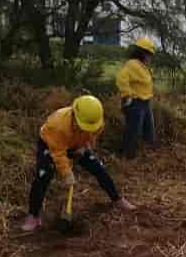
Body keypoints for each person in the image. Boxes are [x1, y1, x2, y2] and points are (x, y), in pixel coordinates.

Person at [20, 95, 135, 232]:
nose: (88, 129)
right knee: (43, 175)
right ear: (74, 115)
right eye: (84, 126)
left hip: (78, 144)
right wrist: (66, 173)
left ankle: (117, 199)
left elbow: (93, 135)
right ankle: (33, 215)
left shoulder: (95, 120)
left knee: (98, 168)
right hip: (51, 144)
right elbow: (58, 153)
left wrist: (85, 146)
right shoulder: (57, 126)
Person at [116, 37, 155, 158]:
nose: (150, 57)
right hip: (135, 103)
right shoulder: (132, 64)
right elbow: (121, 79)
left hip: (145, 102)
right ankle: (128, 156)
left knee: (148, 130)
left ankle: (146, 153)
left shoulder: (142, 65)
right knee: (133, 131)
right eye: (149, 54)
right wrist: (128, 95)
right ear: (142, 53)